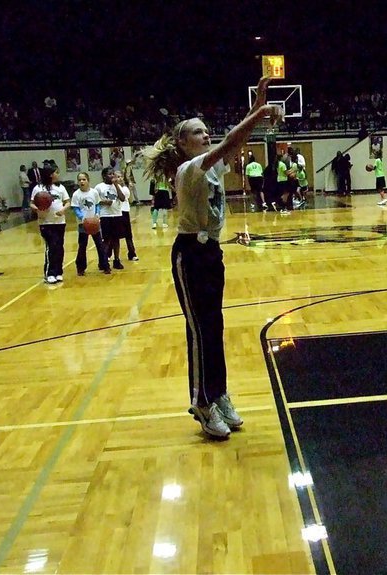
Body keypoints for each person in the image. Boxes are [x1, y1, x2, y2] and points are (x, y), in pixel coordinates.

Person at [142, 75, 282, 438]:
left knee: (215, 327)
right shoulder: (188, 170)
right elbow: (228, 143)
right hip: (189, 254)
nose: (206, 136)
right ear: (182, 143)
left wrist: (258, 108)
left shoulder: (211, 164)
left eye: (207, 132)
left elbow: (236, 143)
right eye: (199, 133)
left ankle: (218, 394)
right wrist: (261, 113)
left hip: (211, 252)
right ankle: (201, 403)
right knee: (200, 331)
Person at [31, 168, 70, 284]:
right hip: (46, 223)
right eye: (56, 172)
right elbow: (31, 203)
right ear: (50, 174)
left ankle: (58, 272)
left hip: (60, 221)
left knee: (59, 247)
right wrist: (39, 209)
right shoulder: (38, 188)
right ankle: (50, 273)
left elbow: (68, 202)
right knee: (51, 247)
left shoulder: (60, 188)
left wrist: (63, 210)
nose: (58, 174)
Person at [71, 172, 110, 275]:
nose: (81, 182)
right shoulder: (76, 194)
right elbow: (75, 208)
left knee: (99, 244)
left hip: (94, 222)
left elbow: (97, 204)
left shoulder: (94, 192)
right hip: (83, 224)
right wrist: (82, 217)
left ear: (88, 180)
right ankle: (80, 268)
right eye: (79, 180)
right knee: (82, 246)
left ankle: (104, 265)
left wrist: (97, 214)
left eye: (84, 179)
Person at [95, 167, 126, 269]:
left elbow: (122, 198)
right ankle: (104, 261)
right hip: (105, 215)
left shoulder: (117, 186)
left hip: (117, 214)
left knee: (116, 239)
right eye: (109, 174)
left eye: (113, 174)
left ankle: (116, 260)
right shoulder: (99, 187)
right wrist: (104, 202)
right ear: (104, 176)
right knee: (107, 240)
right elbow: (95, 200)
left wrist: (116, 185)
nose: (112, 176)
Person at [115, 169, 138, 261]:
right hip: (116, 213)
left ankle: (132, 253)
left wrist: (131, 189)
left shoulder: (125, 188)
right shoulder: (112, 188)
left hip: (125, 212)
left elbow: (129, 200)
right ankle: (109, 254)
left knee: (128, 235)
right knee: (114, 236)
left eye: (120, 176)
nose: (119, 178)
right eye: (117, 177)